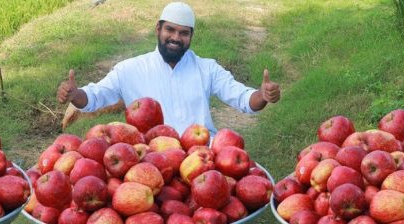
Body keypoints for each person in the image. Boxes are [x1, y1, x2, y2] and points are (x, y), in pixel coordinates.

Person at [56, 1, 281, 136]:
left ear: (191, 36)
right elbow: (95, 97)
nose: (175, 38)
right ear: (158, 29)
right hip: (148, 160)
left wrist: (263, 95)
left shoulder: (206, 69)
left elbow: (243, 99)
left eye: (184, 33)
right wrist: (75, 95)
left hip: (201, 156)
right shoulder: (130, 69)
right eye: (170, 30)